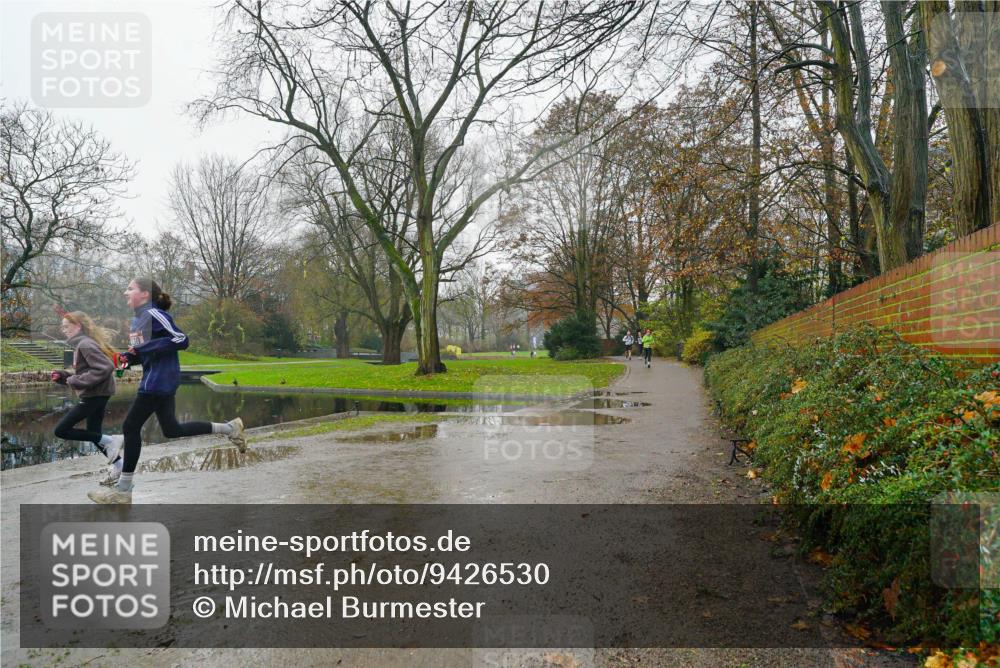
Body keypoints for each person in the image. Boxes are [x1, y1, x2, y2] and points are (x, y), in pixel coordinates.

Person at [87, 278, 245, 504]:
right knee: (172, 429)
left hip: (159, 380)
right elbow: (144, 352)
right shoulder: (137, 321)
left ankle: (123, 490)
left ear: (145, 294)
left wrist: (144, 348)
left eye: (130, 289)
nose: (125, 293)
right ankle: (230, 428)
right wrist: (128, 358)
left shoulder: (154, 314)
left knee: (130, 426)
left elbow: (181, 339)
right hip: (154, 378)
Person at [51, 311, 122, 483]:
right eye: (62, 326)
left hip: (95, 395)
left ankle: (113, 440)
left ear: (78, 326)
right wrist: (64, 376)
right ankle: (120, 467)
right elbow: (85, 372)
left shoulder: (85, 344)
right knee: (94, 433)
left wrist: (74, 379)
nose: (64, 330)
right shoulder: (83, 344)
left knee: (61, 430)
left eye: (67, 326)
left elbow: (104, 368)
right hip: (97, 393)